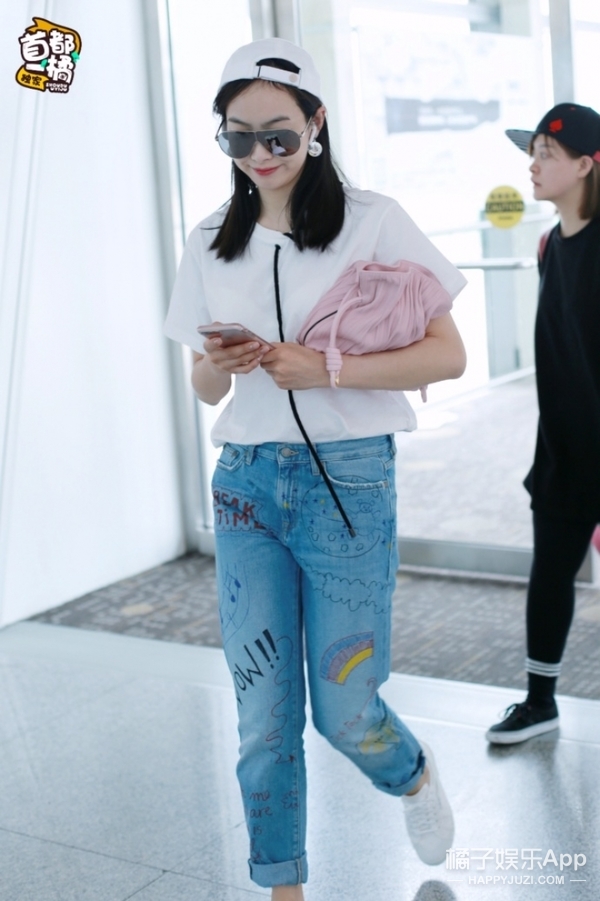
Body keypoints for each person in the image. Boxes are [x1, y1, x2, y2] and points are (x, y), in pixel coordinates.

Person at [164, 38, 467, 899]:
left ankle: (411, 771)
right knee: (262, 717)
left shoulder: (374, 221)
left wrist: (326, 367)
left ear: (316, 124)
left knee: (345, 709)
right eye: (238, 137)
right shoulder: (208, 240)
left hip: (347, 483)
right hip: (246, 486)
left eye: (279, 135)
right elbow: (201, 385)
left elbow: (448, 355)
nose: (260, 155)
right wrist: (223, 361)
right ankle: (283, 887)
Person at [486, 103, 600, 745]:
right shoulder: (549, 244)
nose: (532, 166)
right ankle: (538, 702)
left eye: (546, 155)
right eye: (530, 154)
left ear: (586, 165)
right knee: (550, 571)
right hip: (563, 445)